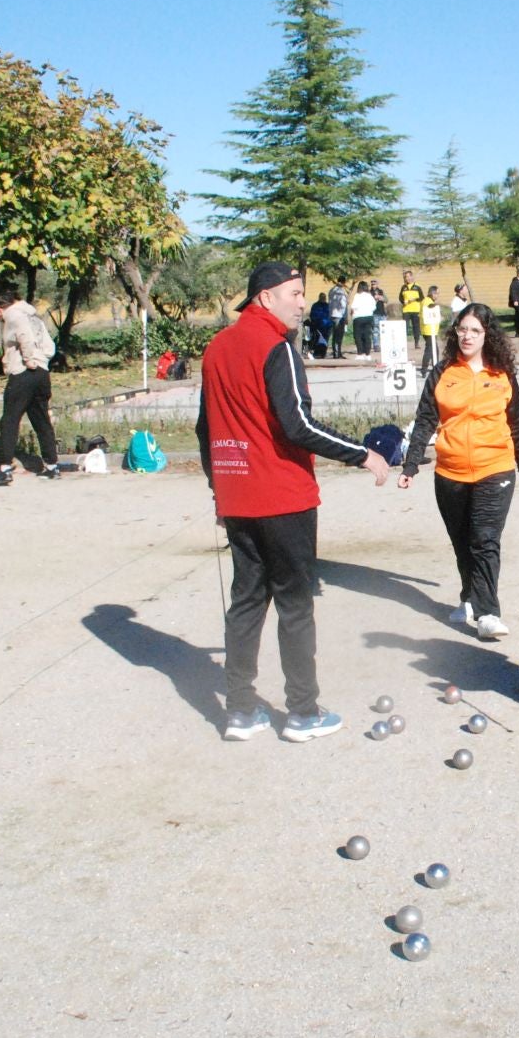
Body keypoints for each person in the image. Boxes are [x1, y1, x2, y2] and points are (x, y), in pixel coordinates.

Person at [194, 262, 392, 742]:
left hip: (239, 497)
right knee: (295, 606)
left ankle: (241, 712)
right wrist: (362, 454)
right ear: (265, 297)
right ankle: (303, 713)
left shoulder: (217, 347)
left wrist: (220, 489)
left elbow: (205, 428)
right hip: (283, 497)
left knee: (246, 602)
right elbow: (298, 424)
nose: (303, 303)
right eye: (296, 293)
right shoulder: (276, 346)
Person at [398, 303, 519, 641]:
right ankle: (469, 598)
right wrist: (411, 464)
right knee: (462, 542)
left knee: (484, 540)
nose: (467, 336)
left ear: (487, 335)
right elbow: (425, 420)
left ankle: (488, 614)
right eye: (462, 329)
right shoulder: (443, 371)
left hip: (495, 468)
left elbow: (517, 422)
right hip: (450, 471)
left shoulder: (502, 374)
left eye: (475, 330)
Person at [0, 288, 59, 485]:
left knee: (9, 420)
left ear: (0, 309)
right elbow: (48, 345)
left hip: (23, 371)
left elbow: (24, 336)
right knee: (41, 420)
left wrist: (29, 360)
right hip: (42, 373)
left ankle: (4, 469)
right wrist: (42, 360)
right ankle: (52, 465)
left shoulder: (13, 315)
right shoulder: (32, 314)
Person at [350, 281, 376, 358]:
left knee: (358, 336)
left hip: (358, 317)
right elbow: (374, 307)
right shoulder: (370, 296)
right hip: (369, 317)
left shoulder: (357, 296)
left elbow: (353, 307)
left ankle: (360, 353)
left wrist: (351, 314)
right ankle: (368, 354)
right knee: (367, 335)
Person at [305, 289, 334, 359]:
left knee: (325, 340)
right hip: (318, 326)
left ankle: (323, 353)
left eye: (324, 297)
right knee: (317, 340)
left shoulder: (327, 305)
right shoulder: (315, 305)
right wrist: (316, 323)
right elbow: (313, 315)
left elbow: (330, 315)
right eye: (322, 297)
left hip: (327, 326)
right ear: (319, 298)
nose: (323, 298)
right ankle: (317, 352)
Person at [399, 270, 425, 347]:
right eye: (406, 277)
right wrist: (403, 302)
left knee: (416, 327)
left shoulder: (417, 287)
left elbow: (422, 297)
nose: (407, 278)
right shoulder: (403, 287)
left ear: (412, 276)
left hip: (416, 310)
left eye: (408, 276)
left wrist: (414, 299)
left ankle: (416, 343)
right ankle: (403, 343)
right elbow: (400, 298)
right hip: (406, 310)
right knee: (405, 327)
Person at [419, 288, 444, 369]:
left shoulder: (427, 300)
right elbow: (430, 309)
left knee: (435, 350)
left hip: (431, 330)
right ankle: (424, 368)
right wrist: (437, 308)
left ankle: (435, 367)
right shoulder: (427, 301)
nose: (437, 295)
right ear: (432, 293)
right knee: (429, 350)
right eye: (437, 293)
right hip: (429, 330)